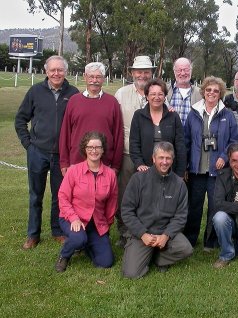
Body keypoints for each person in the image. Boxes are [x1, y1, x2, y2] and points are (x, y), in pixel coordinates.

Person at [15, 55, 79, 249]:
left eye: (60, 70)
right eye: (53, 70)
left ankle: (57, 230)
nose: (56, 73)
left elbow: (77, 124)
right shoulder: (35, 91)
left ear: (65, 72)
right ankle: (33, 234)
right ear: (46, 71)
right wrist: (29, 144)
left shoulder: (74, 93)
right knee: (36, 195)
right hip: (38, 152)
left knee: (60, 195)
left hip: (62, 156)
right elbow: (20, 119)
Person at [184, 76, 238, 249]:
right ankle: (190, 241)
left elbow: (235, 140)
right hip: (197, 170)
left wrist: (224, 157)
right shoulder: (193, 113)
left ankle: (211, 241)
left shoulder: (227, 115)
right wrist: (186, 165)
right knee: (194, 207)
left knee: (215, 207)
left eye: (216, 91)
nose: (212, 93)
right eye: (208, 90)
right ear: (203, 92)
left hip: (218, 171)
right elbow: (186, 141)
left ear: (220, 93)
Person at [121, 142, 193, 278]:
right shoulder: (138, 179)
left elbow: (181, 216)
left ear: (172, 160)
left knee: (186, 249)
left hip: (165, 233)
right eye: (161, 158)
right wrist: (143, 234)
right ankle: (145, 253)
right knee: (130, 274)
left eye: (168, 158)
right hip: (142, 233)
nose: (164, 162)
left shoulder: (179, 184)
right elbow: (127, 211)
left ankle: (158, 258)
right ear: (153, 158)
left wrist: (166, 235)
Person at [55, 132, 118, 272]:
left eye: (97, 147)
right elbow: (63, 196)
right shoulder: (74, 171)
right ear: (85, 149)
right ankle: (64, 256)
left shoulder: (110, 174)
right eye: (90, 147)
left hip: (96, 223)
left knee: (106, 262)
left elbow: (112, 203)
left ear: (103, 150)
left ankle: (86, 244)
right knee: (78, 238)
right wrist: (74, 219)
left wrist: (106, 226)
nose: (94, 151)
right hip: (72, 219)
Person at [114, 55, 155, 247]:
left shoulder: (158, 92)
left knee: (148, 196)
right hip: (127, 153)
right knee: (125, 195)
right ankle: (124, 232)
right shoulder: (121, 93)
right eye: (139, 71)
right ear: (132, 73)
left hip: (151, 155)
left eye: (147, 71)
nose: (143, 75)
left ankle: (147, 229)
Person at [59, 62, 123, 175]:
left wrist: (116, 165)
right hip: (77, 162)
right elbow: (65, 133)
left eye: (98, 77)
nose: (94, 80)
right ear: (85, 77)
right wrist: (64, 162)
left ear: (103, 79)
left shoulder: (112, 102)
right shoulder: (74, 101)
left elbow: (118, 135)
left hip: (104, 164)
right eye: (91, 76)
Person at [129, 78, 186, 177]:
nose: (157, 97)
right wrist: (139, 163)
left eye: (160, 94)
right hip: (145, 171)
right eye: (152, 94)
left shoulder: (173, 117)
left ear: (165, 97)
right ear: (146, 96)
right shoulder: (138, 116)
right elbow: (134, 143)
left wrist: (180, 173)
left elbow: (180, 146)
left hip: (169, 171)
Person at [167, 57, 202, 125]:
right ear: (174, 72)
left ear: (191, 71)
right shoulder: (164, 91)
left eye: (186, 70)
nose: (183, 73)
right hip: (169, 135)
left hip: (191, 135)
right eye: (179, 70)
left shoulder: (200, 94)